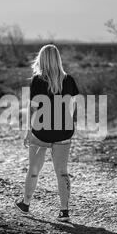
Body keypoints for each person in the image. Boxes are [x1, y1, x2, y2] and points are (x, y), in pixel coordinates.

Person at [15, 44, 79, 222]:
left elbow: (33, 108)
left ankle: (26, 203)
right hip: (63, 131)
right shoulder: (69, 80)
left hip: (41, 132)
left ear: (41, 59)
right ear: (57, 59)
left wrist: (28, 131)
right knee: (62, 172)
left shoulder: (38, 80)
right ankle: (64, 211)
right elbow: (72, 106)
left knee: (34, 170)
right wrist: (70, 126)